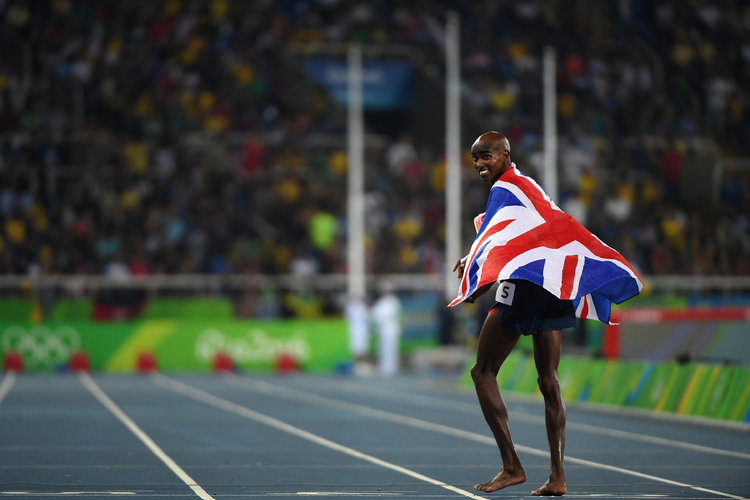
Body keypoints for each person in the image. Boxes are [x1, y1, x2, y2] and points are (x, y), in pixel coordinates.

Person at [449, 132, 643, 496]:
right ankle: (557, 477)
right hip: (551, 284)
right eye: (475, 158)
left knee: (482, 371)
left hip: (526, 285)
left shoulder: (506, 189)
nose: (479, 164)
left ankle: (511, 467)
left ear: (505, 155)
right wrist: (473, 257)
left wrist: (476, 280)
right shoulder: (526, 186)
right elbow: (510, 232)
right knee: (549, 380)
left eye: (486, 156)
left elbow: (506, 239)